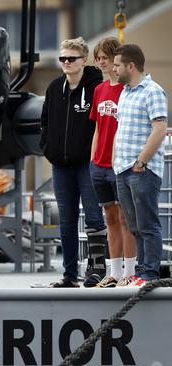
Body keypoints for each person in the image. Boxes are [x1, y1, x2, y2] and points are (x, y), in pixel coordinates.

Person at [40, 37, 107, 288]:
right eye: (63, 58)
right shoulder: (54, 88)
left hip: (87, 165)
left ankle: (96, 270)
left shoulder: (96, 87)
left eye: (72, 58)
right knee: (66, 220)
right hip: (60, 165)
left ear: (84, 61)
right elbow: (44, 121)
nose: (66, 62)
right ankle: (69, 274)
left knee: (93, 217)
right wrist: (48, 148)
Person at [113, 44, 168, 286]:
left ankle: (149, 274)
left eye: (117, 65)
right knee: (134, 226)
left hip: (141, 170)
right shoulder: (125, 92)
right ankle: (140, 272)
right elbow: (120, 129)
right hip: (122, 168)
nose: (114, 69)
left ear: (130, 65)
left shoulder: (153, 91)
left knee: (148, 224)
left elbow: (160, 130)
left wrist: (141, 162)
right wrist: (118, 161)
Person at [88, 37, 137, 288]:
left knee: (126, 218)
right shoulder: (99, 90)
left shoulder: (128, 91)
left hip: (121, 166)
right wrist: (93, 160)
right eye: (98, 58)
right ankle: (114, 272)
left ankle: (130, 271)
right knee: (110, 219)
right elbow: (98, 127)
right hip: (100, 164)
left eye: (104, 58)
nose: (101, 62)